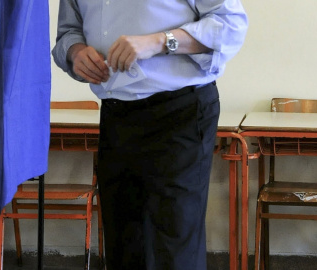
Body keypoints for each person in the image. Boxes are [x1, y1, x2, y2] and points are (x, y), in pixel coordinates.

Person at [52, 1, 248, 269]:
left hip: (178, 113)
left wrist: (161, 41)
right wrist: (75, 53)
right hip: (116, 114)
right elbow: (68, 32)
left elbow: (231, 25)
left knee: (173, 247)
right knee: (123, 243)